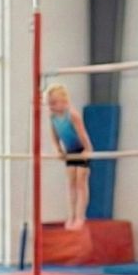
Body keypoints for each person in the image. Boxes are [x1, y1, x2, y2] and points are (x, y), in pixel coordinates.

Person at [46, 83, 94, 230]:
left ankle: (80, 216)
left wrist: (88, 150)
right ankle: (71, 216)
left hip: (81, 149)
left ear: (64, 101)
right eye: (49, 104)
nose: (51, 106)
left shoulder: (72, 115)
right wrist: (58, 150)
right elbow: (54, 136)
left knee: (81, 182)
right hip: (70, 151)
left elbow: (82, 134)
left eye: (54, 103)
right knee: (71, 184)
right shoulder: (52, 117)